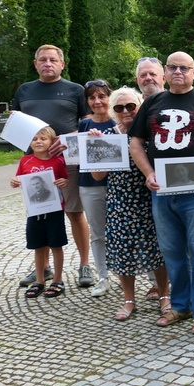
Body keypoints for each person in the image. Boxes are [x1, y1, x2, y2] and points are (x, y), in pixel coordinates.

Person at [129, 51, 194, 335]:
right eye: (172, 67)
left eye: (184, 68)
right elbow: (136, 143)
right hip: (162, 191)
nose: (178, 72)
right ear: (164, 71)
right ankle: (181, 304)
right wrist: (148, 172)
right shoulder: (152, 102)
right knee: (172, 251)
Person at [12, 44, 92, 289]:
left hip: (66, 163)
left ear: (62, 64)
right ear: (36, 64)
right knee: (40, 214)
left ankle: (84, 264)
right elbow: (15, 124)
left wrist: (68, 141)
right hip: (34, 165)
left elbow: (87, 125)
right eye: (43, 60)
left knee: (75, 213)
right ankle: (43, 268)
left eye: (53, 60)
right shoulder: (24, 90)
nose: (48, 63)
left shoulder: (75, 90)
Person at [92, 87, 170, 321]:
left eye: (130, 106)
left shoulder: (151, 134)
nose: (125, 111)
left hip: (148, 198)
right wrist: (97, 149)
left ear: (140, 106)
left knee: (158, 248)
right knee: (122, 250)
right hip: (120, 201)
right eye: (119, 107)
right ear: (113, 111)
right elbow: (97, 176)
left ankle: (165, 295)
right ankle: (129, 300)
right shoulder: (108, 137)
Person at [11, 127, 68, 299]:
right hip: (34, 212)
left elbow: (64, 179)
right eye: (35, 138)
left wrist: (63, 181)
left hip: (54, 210)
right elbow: (19, 180)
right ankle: (40, 280)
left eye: (43, 138)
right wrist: (14, 182)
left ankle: (57, 280)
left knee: (56, 245)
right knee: (38, 245)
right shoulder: (25, 161)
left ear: (52, 142)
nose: (38, 141)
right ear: (30, 142)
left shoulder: (58, 161)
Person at [77, 80, 117, 298]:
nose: (97, 101)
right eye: (92, 97)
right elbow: (79, 154)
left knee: (123, 231)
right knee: (97, 233)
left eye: (102, 96)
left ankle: (133, 275)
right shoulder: (84, 125)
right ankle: (103, 276)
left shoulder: (118, 121)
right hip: (90, 185)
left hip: (116, 184)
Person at [134, 56, 165, 301]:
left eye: (152, 74)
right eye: (144, 75)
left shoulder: (175, 101)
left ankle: (174, 282)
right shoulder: (133, 106)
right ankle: (157, 283)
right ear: (137, 80)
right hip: (143, 180)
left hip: (177, 181)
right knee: (149, 232)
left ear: (162, 76)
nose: (148, 78)